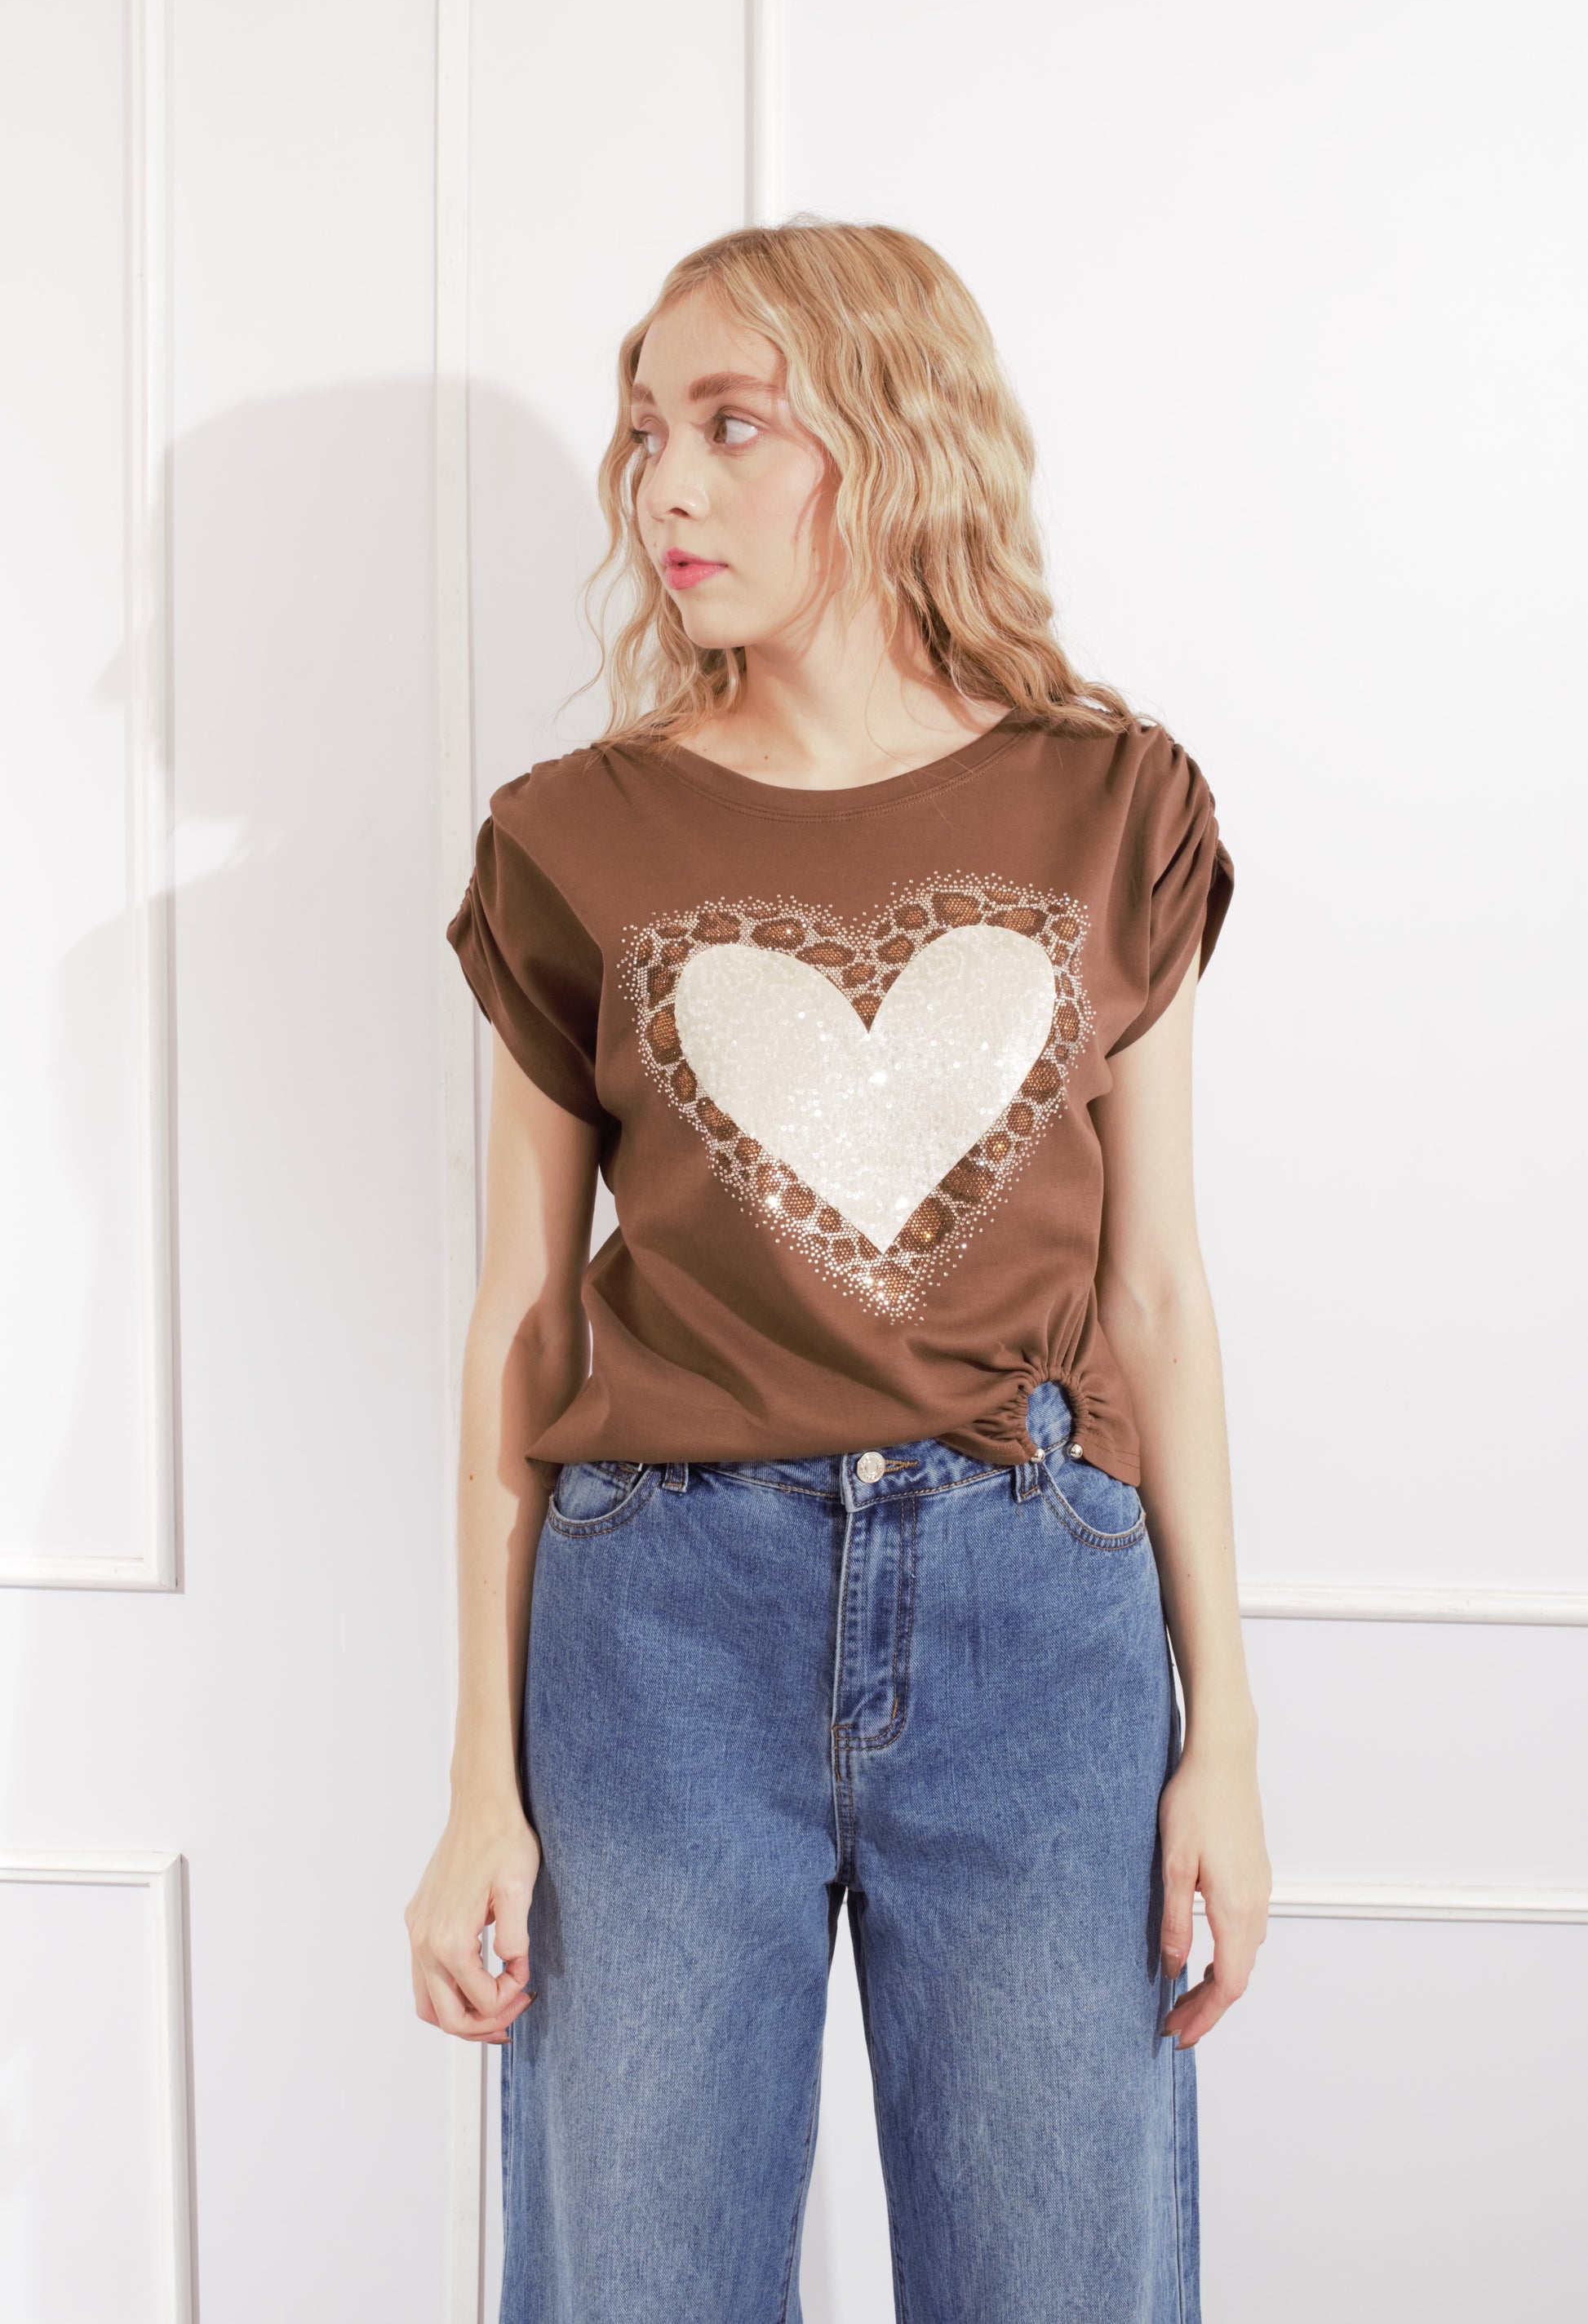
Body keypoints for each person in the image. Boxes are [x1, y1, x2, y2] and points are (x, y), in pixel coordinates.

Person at [405, 216, 1271, 2324]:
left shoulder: (1110, 809)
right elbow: (524, 1318)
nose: (666, 487)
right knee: (638, 2285)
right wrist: (477, 1784)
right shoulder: (573, 838)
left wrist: (1224, 1741)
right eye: (644, 434)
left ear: (892, 443)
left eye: (731, 426)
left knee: (1063, 2281)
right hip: (658, 1636)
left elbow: (1157, 1297)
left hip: (1036, 1616)